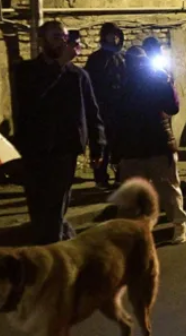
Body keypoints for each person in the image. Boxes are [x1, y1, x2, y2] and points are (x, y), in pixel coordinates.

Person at [14, 21, 105, 244]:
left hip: (65, 150)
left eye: (64, 37)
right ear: (41, 41)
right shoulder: (26, 72)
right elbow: (32, 103)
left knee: (56, 207)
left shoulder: (78, 76)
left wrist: (98, 145)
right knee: (38, 207)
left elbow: (92, 112)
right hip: (36, 150)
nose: (62, 42)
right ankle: (48, 247)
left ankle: (54, 250)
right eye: (56, 37)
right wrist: (58, 68)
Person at [114, 46, 186, 244]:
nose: (137, 66)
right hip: (133, 145)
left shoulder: (157, 80)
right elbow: (116, 116)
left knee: (168, 189)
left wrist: (166, 83)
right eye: (133, 62)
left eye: (140, 62)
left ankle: (179, 224)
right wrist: (117, 149)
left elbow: (172, 107)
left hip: (158, 142)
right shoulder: (122, 83)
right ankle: (132, 232)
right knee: (131, 193)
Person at [84, 22, 125, 189]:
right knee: (101, 145)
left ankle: (120, 176)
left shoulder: (121, 58)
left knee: (119, 145)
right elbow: (90, 83)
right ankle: (100, 177)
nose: (114, 38)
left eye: (116, 35)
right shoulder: (96, 59)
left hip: (119, 109)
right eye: (111, 34)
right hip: (101, 109)